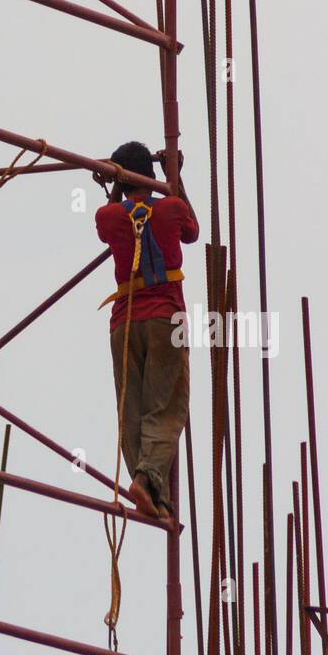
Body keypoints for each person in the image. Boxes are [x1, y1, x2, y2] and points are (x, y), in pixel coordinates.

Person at [94, 140, 199, 519]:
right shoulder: (171, 208)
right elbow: (192, 230)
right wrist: (175, 176)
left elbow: (108, 219)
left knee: (132, 408)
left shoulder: (109, 218)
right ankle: (148, 478)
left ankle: (151, 489)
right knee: (166, 406)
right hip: (165, 317)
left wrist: (114, 182)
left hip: (124, 323)